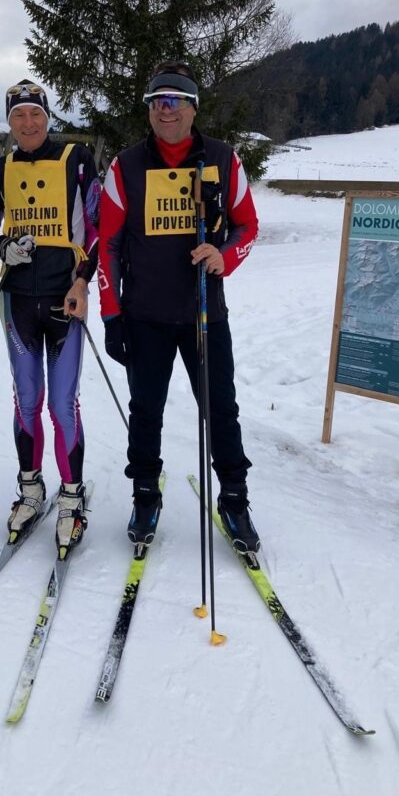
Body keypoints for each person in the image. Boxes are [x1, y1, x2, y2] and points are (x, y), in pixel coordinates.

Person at [98, 61, 260, 553]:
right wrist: (111, 314)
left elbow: (248, 227)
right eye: (156, 103)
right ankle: (145, 494)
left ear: (193, 108)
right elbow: (106, 244)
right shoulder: (124, 167)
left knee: (220, 410)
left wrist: (223, 254)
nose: (165, 111)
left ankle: (234, 499)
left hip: (204, 313)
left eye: (175, 102)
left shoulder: (223, 159)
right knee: (145, 412)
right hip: (145, 316)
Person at [0, 79, 101, 558]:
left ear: (47, 117)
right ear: (9, 123)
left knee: (61, 404)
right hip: (18, 300)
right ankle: (31, 490)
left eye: (35, 114)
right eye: (18, 116)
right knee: (26, 400)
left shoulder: (75, 158)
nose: (27, 123)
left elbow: (97, 228)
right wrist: (2, 246)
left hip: (62, 299)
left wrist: (82, 280)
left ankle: (71, 496)